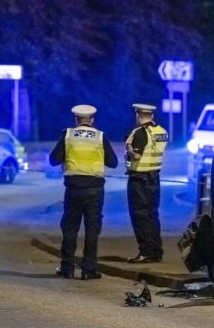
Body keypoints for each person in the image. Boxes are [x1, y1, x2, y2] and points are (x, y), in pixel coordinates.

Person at [49, 104, 118, 280]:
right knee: (92, 230)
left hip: (73, 189)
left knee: (70, 228)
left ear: (76, 120)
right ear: (92, 120)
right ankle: (89, 270)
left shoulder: (68, 135)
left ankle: (67, 268)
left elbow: (53, 160)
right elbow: (113, 162)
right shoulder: (100, 136)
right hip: (95, 189)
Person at [125, 103, 168, 263]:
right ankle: (156, 251)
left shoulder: (140, 133)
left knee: (140, 216)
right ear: (152, 115)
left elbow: (136, 156)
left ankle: (146, 252)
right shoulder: (161, 131)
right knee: (152, 215)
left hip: (140, 179)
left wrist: (129, 147)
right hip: (154, 178)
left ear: (138, 115)